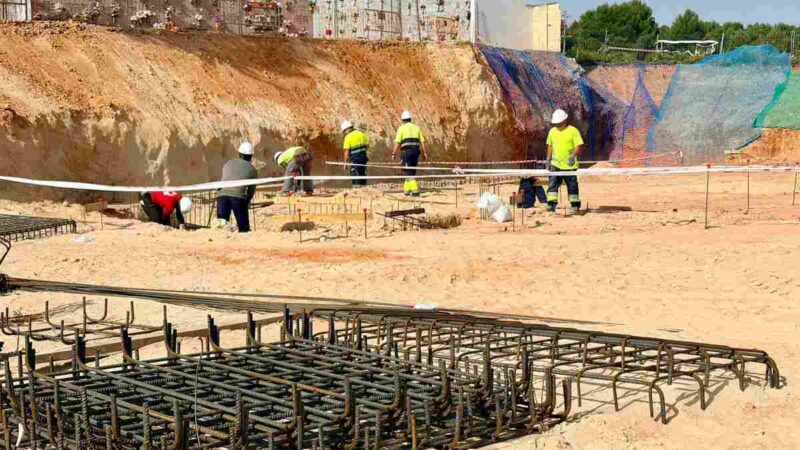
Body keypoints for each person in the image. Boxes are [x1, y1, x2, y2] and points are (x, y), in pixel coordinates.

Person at [546, 109, 584, 214]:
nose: (558, 125)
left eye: (559, 123)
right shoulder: (552, 132)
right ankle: (551, 204)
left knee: (572, 185)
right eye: (556, 123)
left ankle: (575, 205)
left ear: (565, 121)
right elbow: (550, 146)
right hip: (555, 164)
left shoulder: (573, 131)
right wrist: (548, 159)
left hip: (569, 165)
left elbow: (578, 145)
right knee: (552, 185)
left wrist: (573, 156)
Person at [217, 142, 258, 232]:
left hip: (222, 196)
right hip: (238, 197)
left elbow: (223, 179)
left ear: (239, 154)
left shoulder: (228, 163)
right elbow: (251, 189)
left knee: (221, 226)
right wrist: (247, 200)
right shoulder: (252, 169)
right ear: (251, 156)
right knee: (244, 228)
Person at [391, 110, 428, 196]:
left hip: (406, 152)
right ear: (410, 119)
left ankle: (415, 191)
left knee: (408, 172)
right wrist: (424, 153)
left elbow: (397, 142)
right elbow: (422, 142)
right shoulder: (416, 128)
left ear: (402, 120)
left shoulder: (401, 128)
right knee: (411, 171)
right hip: (416, 152)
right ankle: (407, 190)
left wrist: (393, 153)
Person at [341, 120, 370, 188]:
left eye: (344, 131)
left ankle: (357, 191)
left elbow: (346, 152)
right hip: (363, 158)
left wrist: (345, 163)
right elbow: (367, 146)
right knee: (362, 173)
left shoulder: (348, 137)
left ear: (347, 129)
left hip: (355, 160)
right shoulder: (361, 133)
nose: (345, 133)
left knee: (355, 174)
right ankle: (363, 189)